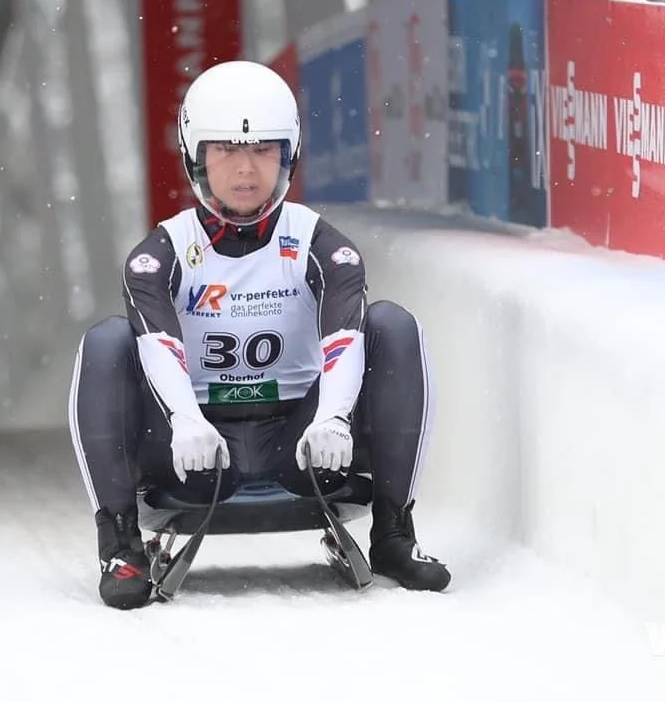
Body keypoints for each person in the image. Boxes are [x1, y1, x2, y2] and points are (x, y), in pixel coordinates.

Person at [68, 60, 451, 610]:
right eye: (226, 150)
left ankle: (394, 533)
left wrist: (333, 417)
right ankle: (119, 544)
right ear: (196, 157)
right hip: (193, 453)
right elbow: (159, 346)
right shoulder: (159, 256)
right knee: (105, 342)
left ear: (287, 156)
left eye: (262, 151)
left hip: (301, 443)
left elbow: (344, 337)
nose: (245, 170)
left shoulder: (322, 245)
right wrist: (185, 420)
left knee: (394, 325)